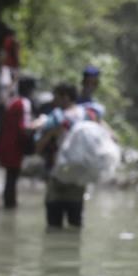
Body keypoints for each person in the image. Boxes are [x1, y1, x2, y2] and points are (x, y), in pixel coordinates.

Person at [35, 83, 94, 229]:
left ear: (65, 97)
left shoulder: (57, 117)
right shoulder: (87, 115)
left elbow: (39, 148)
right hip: (79, 178)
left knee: (54, 225)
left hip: (57, 177)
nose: (53, 101)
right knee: (75, 224)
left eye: (56, 97)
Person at [0, 75, 36, 209]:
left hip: (6, 143)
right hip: (15, 146)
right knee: (13, 177)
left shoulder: (12, 101)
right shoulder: (24, 103)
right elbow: (24, 127)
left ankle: (8, 204)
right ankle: (10, 205)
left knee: (9, 177)